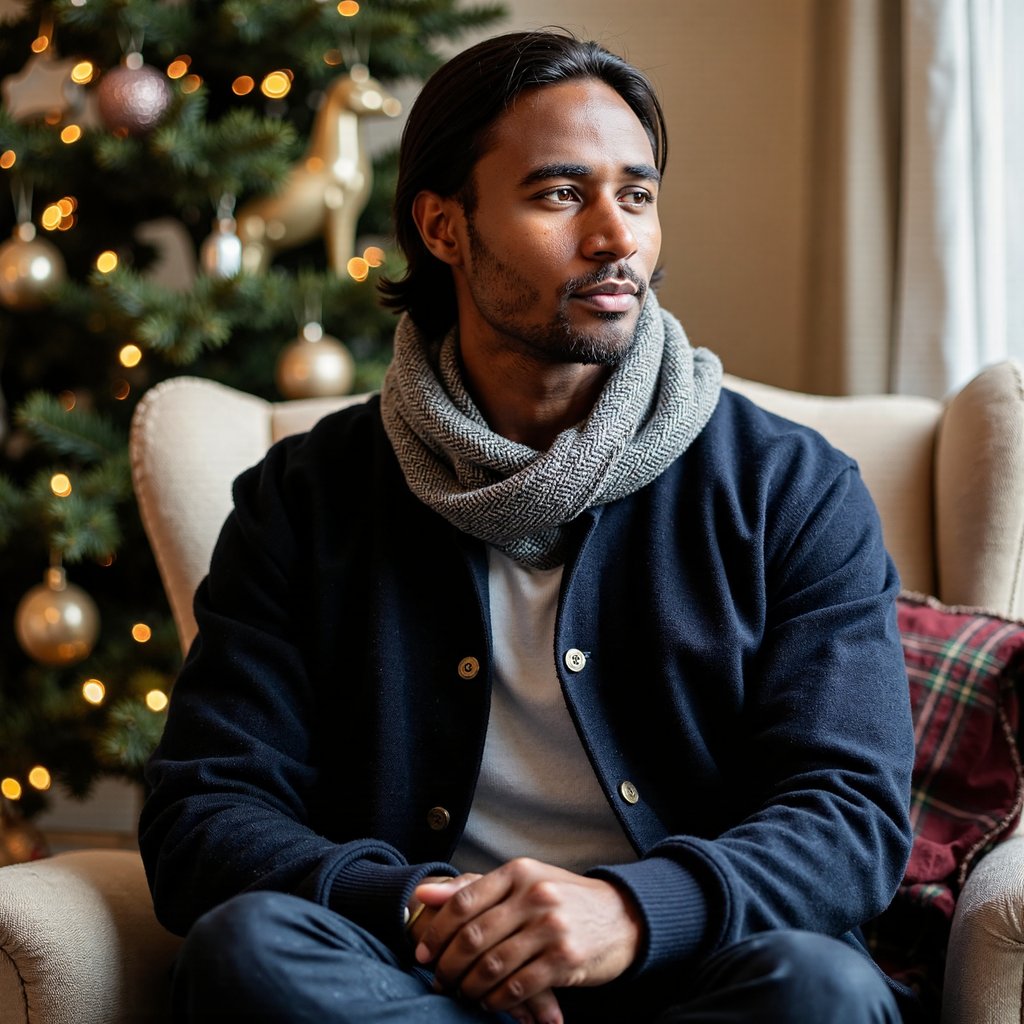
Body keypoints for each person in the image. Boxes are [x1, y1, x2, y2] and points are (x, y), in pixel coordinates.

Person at [139, 29, 920, 1024]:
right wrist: (426, 907)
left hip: (688, 973)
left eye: (635, 194)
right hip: (417, 970)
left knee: (819, 990)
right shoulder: (307, 495)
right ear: (443, 225)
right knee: (248, 953)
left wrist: (630, 911)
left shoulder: (790, 486)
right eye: (561, 193)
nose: (615, 236)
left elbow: (849, 820)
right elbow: (201, 813)